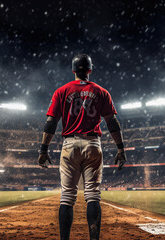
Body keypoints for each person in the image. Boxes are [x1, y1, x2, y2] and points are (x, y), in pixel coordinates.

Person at [38, 54, 127, 240]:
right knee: (93, 195)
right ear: (90, 70)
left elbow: (51, 123)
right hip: (93, 144)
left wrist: (43, 150)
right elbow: (112, 122)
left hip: (70, 144)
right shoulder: (102, 92)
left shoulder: (61, 91)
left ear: (73, 70)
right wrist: (121, 149)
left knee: (67, 196)